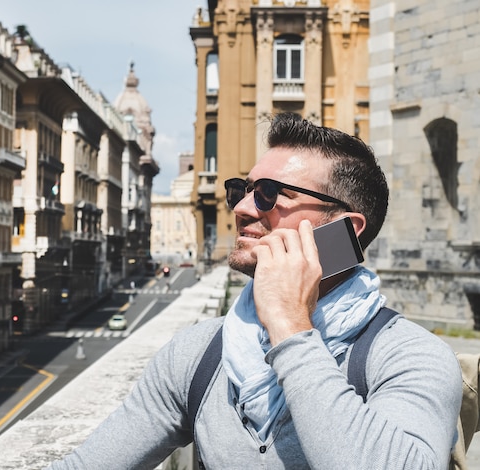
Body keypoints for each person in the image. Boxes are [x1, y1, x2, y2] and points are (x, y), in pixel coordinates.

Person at [46, 113, 462, 469]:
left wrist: (291, 326)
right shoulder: (199, 353)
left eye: (269, 195)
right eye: (241, 191)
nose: (242, 208)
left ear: (345, 230)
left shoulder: (410, 356)